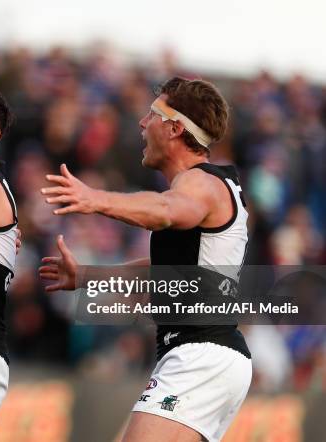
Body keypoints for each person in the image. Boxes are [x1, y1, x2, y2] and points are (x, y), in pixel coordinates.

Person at [39, 77, 252, 442]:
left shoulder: (201, 184)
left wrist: (95, 199)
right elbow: (161, 273)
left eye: (151, 114)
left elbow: (167, 210)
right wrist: (87, 276)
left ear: (174, 127)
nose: (141, 123)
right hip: (205, 355)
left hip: (202, 353)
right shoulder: (203, 186)